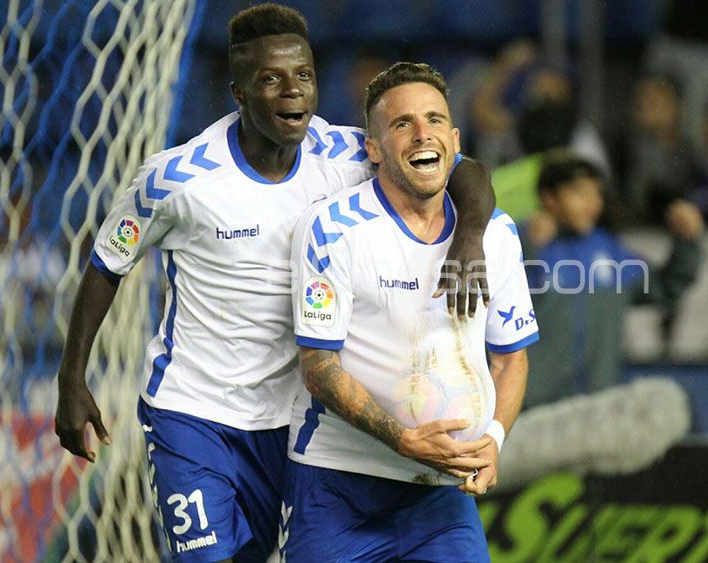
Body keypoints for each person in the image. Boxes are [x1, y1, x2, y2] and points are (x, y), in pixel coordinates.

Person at [53, 5, 496, 562]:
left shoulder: (343, 154)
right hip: (195, 415)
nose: (294, 93)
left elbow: (463, 169)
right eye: (271, 79)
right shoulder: (177, 178)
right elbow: (105, 264)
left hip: (289, 425)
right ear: (238, 91)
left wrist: (471, 235)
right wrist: (72, 379)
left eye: (305, 76)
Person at [281, 62, 537, 562]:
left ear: (456, 139)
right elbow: (318, 368)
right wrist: (402, 439)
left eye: (435, 120)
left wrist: (494, 438)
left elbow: (510, 358)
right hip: (338, 487)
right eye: (403, 124)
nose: (424, 134)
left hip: (441, 497)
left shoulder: (497, 233)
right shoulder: (333, 228)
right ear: (373, 148)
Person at [523, 151, 702, 407]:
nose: (592, 203)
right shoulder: (510, 244)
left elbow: (665, 287)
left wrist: (687, 243)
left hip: (597, 409)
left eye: (596, 194)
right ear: (549, 198)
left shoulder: (611, 252)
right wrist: (526, 244)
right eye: (579, 193)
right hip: (530, 413)